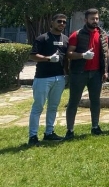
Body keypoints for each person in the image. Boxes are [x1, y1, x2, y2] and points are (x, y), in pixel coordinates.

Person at [65, 8, 109, 139]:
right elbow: (69, 54)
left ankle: (95, 127)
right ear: (85, 20)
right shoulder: (76, 35)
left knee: (95, 101)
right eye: (92, 19)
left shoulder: (102, 34)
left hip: (96, 73)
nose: (95, 21)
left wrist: (105, 70)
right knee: (74, 101)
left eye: (97, 18)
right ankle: (70, 130)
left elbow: (107, 53)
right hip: (79, 73)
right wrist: (83, 55)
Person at [28, 14, 69, 146]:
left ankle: (49, 132)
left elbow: (67, 58)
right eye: (59, 21)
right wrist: (48, 58)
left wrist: (68, 74)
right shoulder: (42, 38)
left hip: (59, 78)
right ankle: (33, 136)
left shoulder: (65, 39)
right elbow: (33, 56)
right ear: (52, 22)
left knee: (53, 107)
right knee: (38, 107)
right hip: (43, 78)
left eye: (64, 22)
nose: (62, 24)